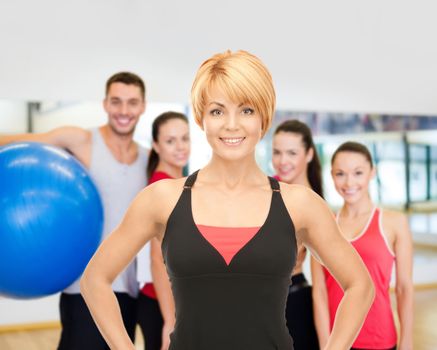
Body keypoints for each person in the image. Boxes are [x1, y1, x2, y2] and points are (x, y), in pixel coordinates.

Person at [80, 50, 374, 350]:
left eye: (246, 110)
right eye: (217, 111)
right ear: (201, 118)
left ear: (264, 116)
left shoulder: (300, 204)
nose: (231, 124)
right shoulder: (162, 199)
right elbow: (95, 279)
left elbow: (360, 285)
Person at [0, 71, 148, 350]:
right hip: (84, 288)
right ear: (105, 104)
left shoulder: (146, 158)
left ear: (142, 106)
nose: (124, 111)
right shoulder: (81, 140)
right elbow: (17, 141)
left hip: (128, 289)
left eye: (132, 102)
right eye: (116, 102)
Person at [312, 141, 414, 350]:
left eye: (358, 173)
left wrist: (407, 341)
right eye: (340, 174)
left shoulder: (394, 222)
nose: (349, 182)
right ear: (331, 175)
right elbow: (319, 292)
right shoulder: (322, 224)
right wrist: (325, 344)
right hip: (337, 342)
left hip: (379, 338)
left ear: (372, 172)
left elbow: (404, 288)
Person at [136, 111, 190, 350]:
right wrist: (170, 320)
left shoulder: (180, 184)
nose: (180, 147)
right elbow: (157, 260)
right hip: (161, 304)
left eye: (185, 138)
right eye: (170, 141)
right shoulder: (161, 188)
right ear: (156, 146)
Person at [272, 119, 321, 350]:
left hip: (293, 302)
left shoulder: (315, 206)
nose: (283, 161)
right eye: (277, 152)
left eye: (292, 153)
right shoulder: (269, 191)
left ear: (309, 154)